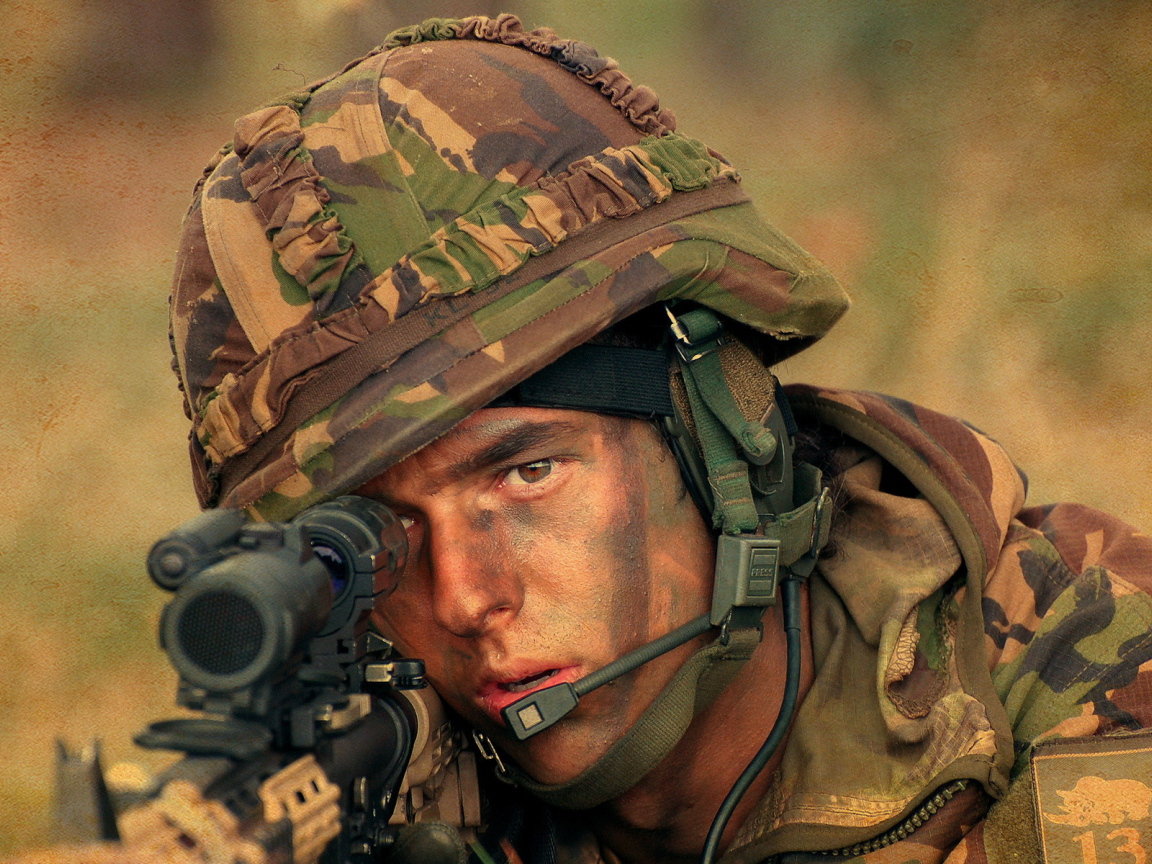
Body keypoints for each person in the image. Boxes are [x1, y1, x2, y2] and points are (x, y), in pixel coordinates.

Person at [167, 14, 1152, 864]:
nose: (466, 599)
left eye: (525, 473)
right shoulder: (381, 779)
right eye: (380, 536)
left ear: (725, 429)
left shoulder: (1080, 670)